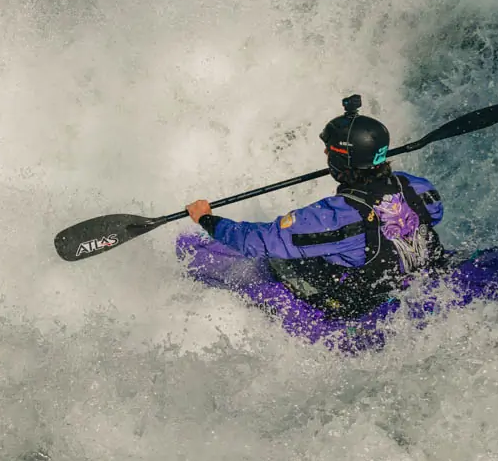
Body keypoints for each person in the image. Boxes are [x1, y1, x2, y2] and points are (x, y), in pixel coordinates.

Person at [184, 95, 447, 317]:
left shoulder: (336, 216)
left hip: (363, 304)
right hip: (415, 278)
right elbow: (434, 214)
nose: (325, 155)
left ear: (342, 161)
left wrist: (208, 219)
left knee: (277, 261)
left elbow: (261, 241)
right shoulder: (417, 188)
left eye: (329, 151)